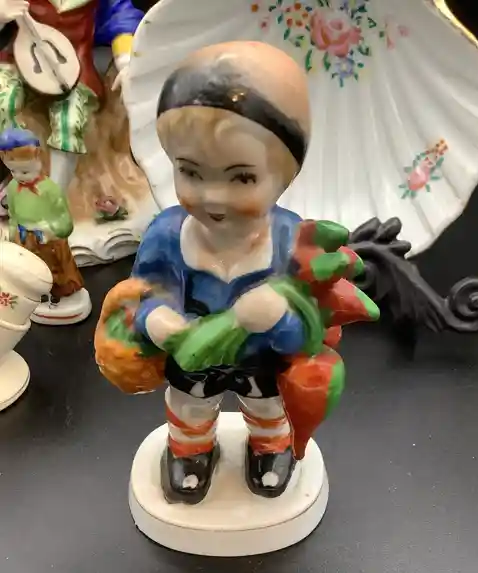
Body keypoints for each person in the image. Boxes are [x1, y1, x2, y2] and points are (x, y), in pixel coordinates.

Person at [95, 41, 380, 504]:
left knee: (268, 410)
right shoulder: (167, 234)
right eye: (191, 173)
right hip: (192, 359)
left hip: (259, 361)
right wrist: (156, 319)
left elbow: (306, 333)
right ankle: (190, 452)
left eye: (242, 178)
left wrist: (278, 317)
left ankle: (270, 449)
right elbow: (146, 291)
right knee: (189, 409)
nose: (213, 196)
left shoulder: (291, 241)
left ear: (284, 175)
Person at [0, 0, 143, 194]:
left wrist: (126, 62)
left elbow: (121, 17)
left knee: (71, 121)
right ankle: (13, 178)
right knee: (4, 101)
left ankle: (55, 196)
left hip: (74, 69)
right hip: (19, 60)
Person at [0, 126, 90, 320]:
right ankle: (40, 295)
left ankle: (60, 296)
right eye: (13, 171)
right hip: (25, 240)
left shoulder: (50, 190)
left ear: (38, 158)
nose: (19, 176)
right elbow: (13, 214)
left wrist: (49, 230)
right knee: (32, 272)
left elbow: (65, 220)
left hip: (49, 240)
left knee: (56, 272)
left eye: (25, 170)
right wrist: (14, 232)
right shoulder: (13, 188)